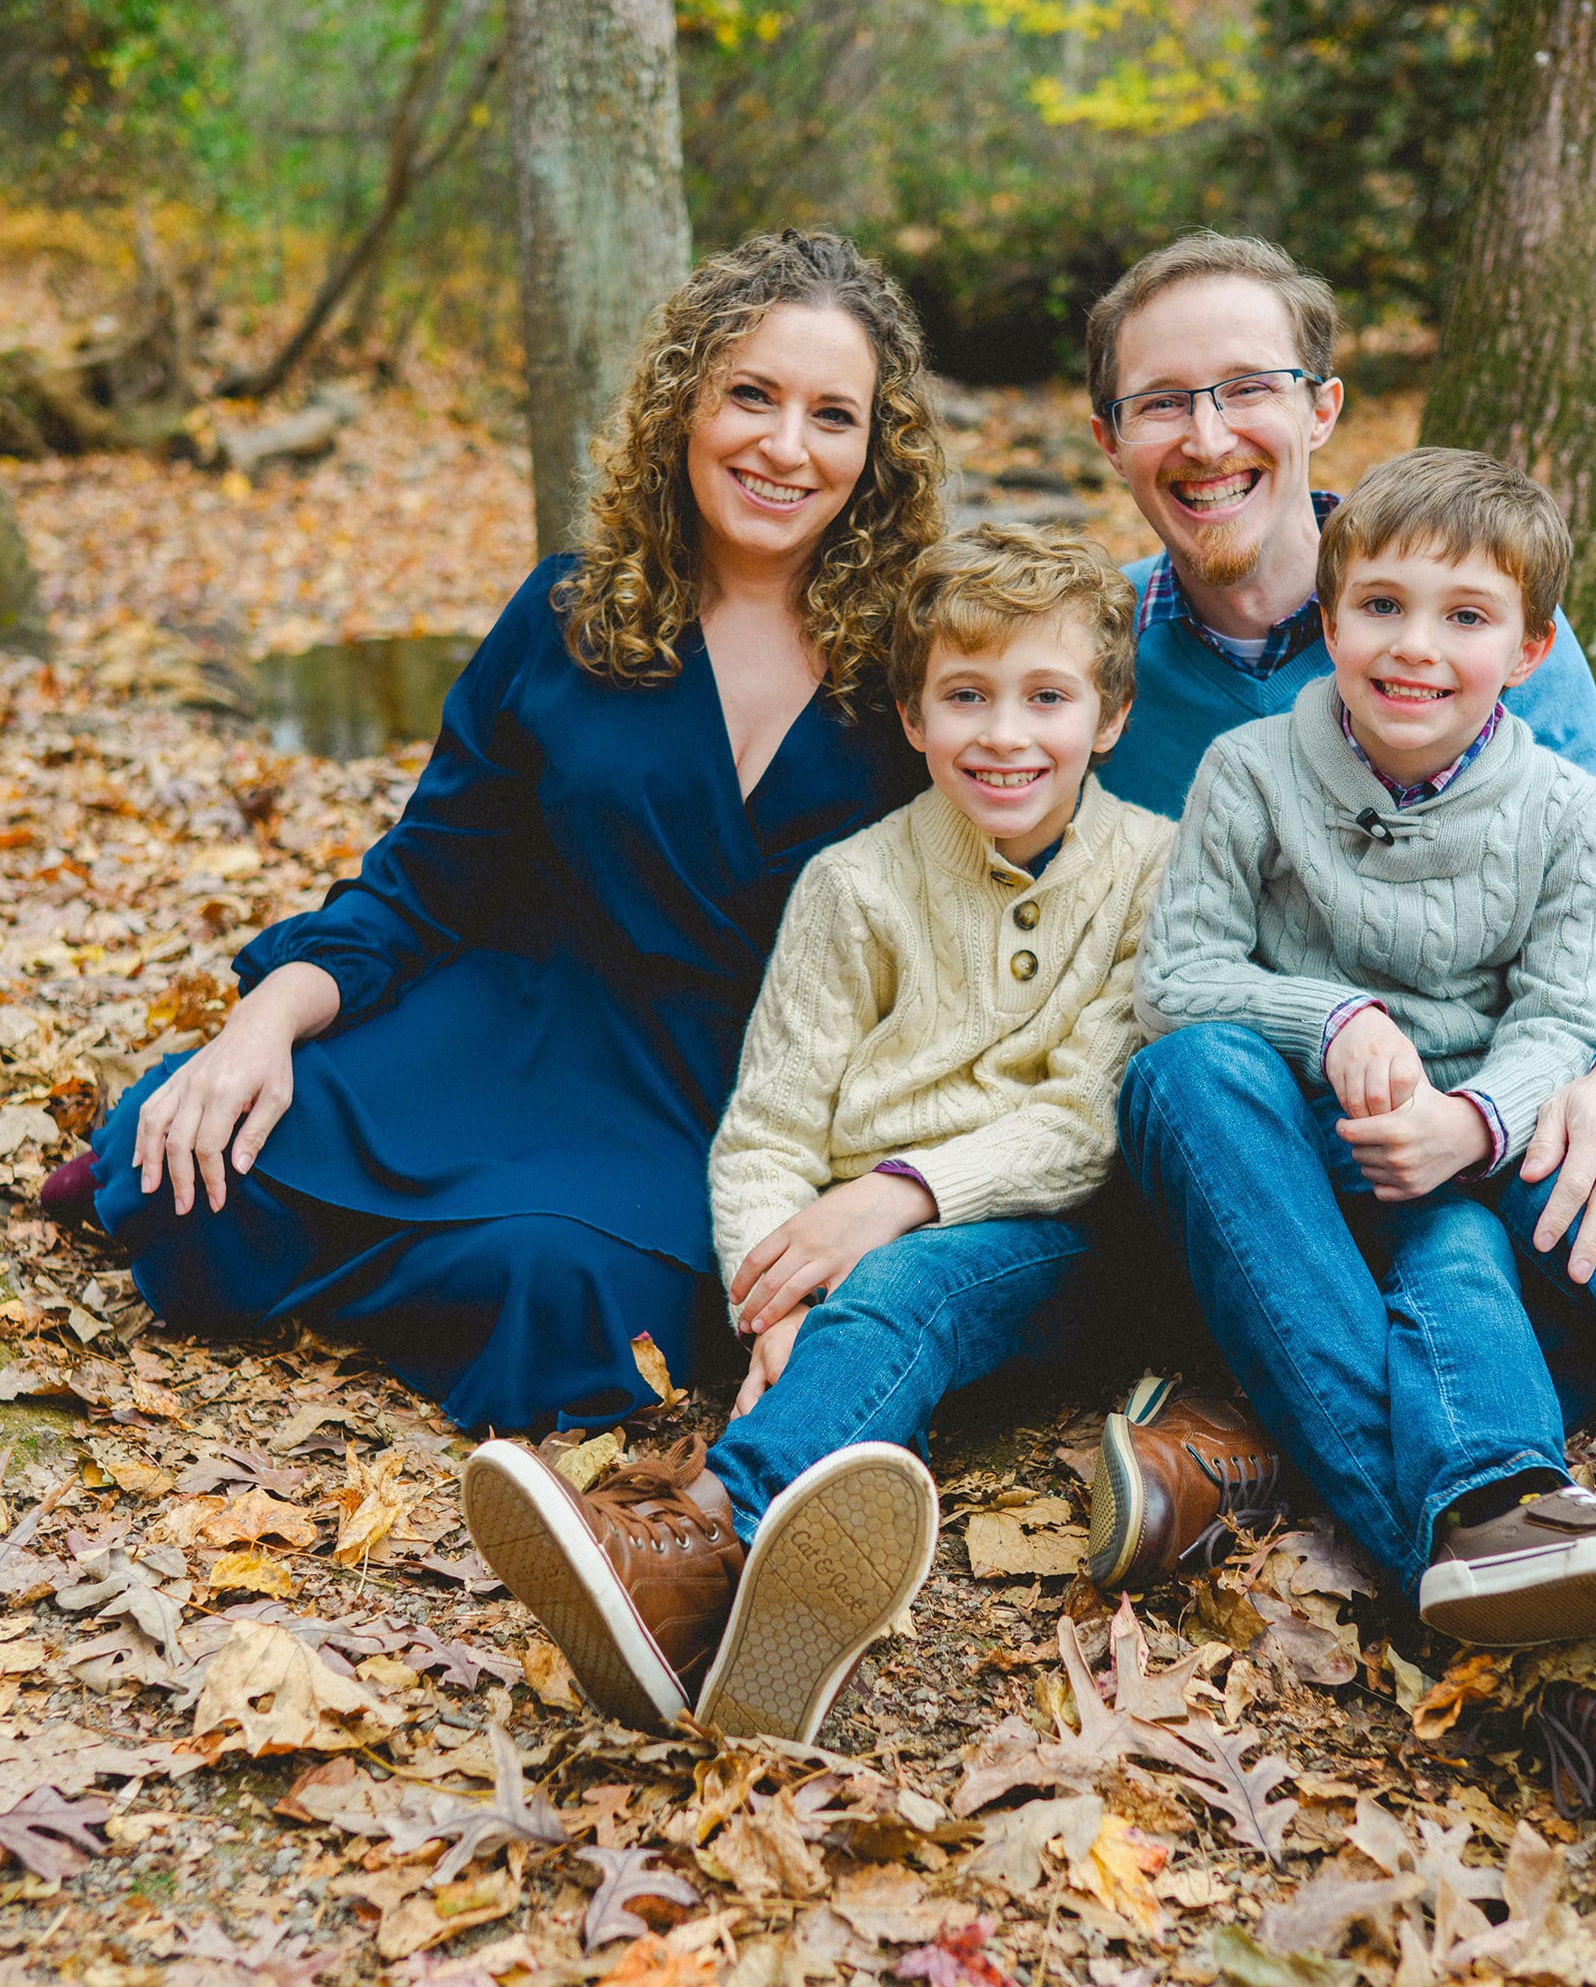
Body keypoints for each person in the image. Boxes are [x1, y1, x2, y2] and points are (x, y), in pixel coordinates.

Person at [1078, 233, 1596, 1890]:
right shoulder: (1101, 654)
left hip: (1484, 1129)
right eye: (1159, 399)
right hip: (1275, 1172)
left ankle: (1284, 1446)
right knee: (1189, 1076)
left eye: (1245, 386)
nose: (1205, 431)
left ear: (1320, 407)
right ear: (1110, 436)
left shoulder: (1465, 600)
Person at [42, 229, 944, 1435]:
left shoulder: (919, 665)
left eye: (832, 415)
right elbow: (423, 881)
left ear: (873, 449)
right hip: (511, 1023)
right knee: (191, 1149)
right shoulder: (568, 610)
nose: (784, 445)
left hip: (723, 1100)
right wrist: (261, 1020)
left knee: (572, 1293)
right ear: (685, 405)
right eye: (750, 395)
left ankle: (432, 1282)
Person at [462, 524, 1175, 1744]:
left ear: (1108, 715)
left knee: (910, 1285)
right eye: (965, 696)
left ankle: (706, 1531)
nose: (1004, 734)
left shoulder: (1153, 869)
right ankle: (741, 1626)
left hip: (1056, 1247)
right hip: (849, 1255)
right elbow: (768, 1132)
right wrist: (772, 1299)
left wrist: (896, 1193)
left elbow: (1089, 1115)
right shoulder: (855, 883)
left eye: (1045, 696)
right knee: (867, 1314)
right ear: (910, 716)